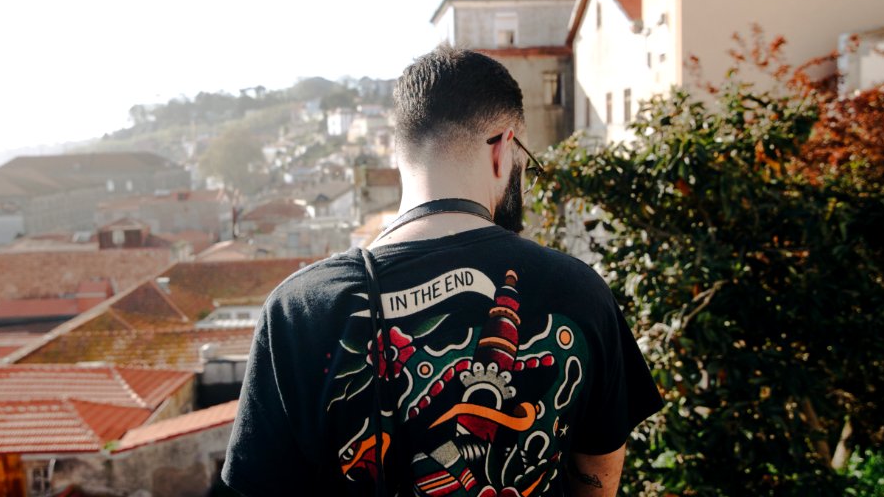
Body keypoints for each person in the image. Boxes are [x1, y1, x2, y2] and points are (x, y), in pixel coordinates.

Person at [222, 46, 663, 496]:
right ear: (503, 149)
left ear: (401, 155)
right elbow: (597, 480)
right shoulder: (580, 291)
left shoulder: (299, 309)